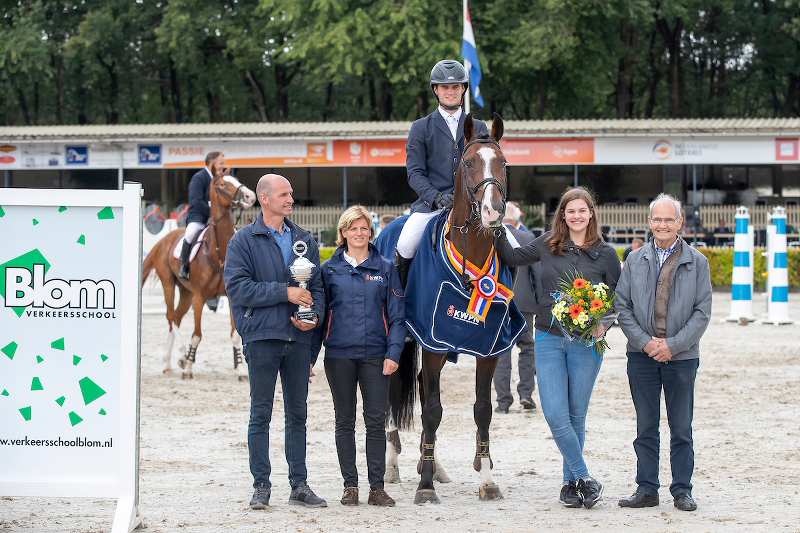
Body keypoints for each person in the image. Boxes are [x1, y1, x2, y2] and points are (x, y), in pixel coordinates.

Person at [494, 186, 621, 509]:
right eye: (570, 211)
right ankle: (585, 477)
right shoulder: (547, 244)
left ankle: (570, 484)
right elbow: (511, 257)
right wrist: (495, 226)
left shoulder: (606, 253)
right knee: (554, 413)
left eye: (582, 210)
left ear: (591, 214)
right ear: (562, 214)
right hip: (548, 337)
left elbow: (619, 296)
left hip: (587, 342)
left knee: (576, 415)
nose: (576, 216)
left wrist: (605, 322)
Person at [224, 173, 327, 510]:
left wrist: (313, 317)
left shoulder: (304, 239)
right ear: (264, 198)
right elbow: (238, 288)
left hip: (298, 338)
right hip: (261, 336)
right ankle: (261, 486)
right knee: (261, 414)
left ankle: (299, 484)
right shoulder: (242, 240)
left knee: (298, 415)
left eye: (291, 194)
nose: (290, 200)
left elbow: (318, 287)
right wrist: (286, 293)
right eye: (284, 194)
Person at [615, 193, 712, 512]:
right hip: (640, 356)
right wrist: (645, 342)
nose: (663, 224)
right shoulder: (634, 259)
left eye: (669, 219)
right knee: (645, 426)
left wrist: (673, 345)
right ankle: (647, 488)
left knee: (681, 427)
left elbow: (702, 313)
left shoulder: (697, 261)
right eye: (657, 219)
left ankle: (682, 489)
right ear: (649, 222)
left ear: (679, 222)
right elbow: (622, 306)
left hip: (681, 357)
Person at [321, 205, 405, 507]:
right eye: (353, 228)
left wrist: (393, 353)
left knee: (375, 422)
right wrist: (309, 357)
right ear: (343, 233)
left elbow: (397, 316)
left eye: (364, 228)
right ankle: (350, 486)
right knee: (344, 421)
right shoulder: (328, 270)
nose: (359, 233)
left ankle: (377, 488)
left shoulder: (386, 268)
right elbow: (320, 315)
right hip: (339, 356)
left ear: (371, 232)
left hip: (375, 356)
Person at [394, 59, 489, 283]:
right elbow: (415, 173)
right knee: (405, 245)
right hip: (431, 208)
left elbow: (485, 169)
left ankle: (506, 301)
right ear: (435, 90)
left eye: (455, 86)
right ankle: (401, 295)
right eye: (444, 87)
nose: (450, 91)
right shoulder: (421, 127)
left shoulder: (479, 127)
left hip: (474, 208)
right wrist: (436, 197)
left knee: (511, 245)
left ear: (463, 88)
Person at [494, 202, 537, 413]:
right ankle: (526, 394)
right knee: (527, 347)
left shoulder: (491, 237)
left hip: (497, 302)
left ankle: (503, 401)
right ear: (516, 218)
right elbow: (537, 274)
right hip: (524, 303)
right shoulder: (529, 238)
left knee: (501, 350)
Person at [179, 151, 226, 279]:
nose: (223, 166)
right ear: (212, 163)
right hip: (199, 217)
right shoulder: (199, 178)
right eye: (221, 163)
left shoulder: (220, 179)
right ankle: (184, 267)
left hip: (217, 219)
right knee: (190, 234)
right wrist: (212, 213)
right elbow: (196, 201)